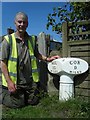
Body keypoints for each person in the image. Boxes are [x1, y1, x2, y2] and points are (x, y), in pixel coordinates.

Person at [1, 12, 60, 108]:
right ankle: (3, 93)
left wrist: (48, 59)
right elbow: (2, 63)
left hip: (29, 82)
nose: (22, 25)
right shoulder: (8, 40)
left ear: (27, 24)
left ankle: (23, 95)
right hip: (15, 82)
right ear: (15, 23)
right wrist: (9, 82)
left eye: (24, 22)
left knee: (34, 101)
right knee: (18, 104)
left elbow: (37, 54)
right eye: (19, 22)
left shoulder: (32, 39)